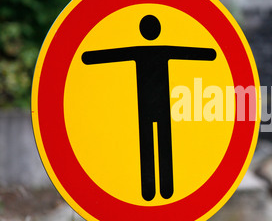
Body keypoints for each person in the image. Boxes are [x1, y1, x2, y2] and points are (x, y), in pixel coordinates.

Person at [82, 15, 216, 201]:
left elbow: (108, 55)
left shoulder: (139, 51)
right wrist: (212, 54)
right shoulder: (164, 50)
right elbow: (196, 53)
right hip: (162, 108)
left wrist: (86, 57)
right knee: (163, 145)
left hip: (145, 108)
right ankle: (166, 188)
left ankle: (149, 191)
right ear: (157, 31)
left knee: (147, 147)